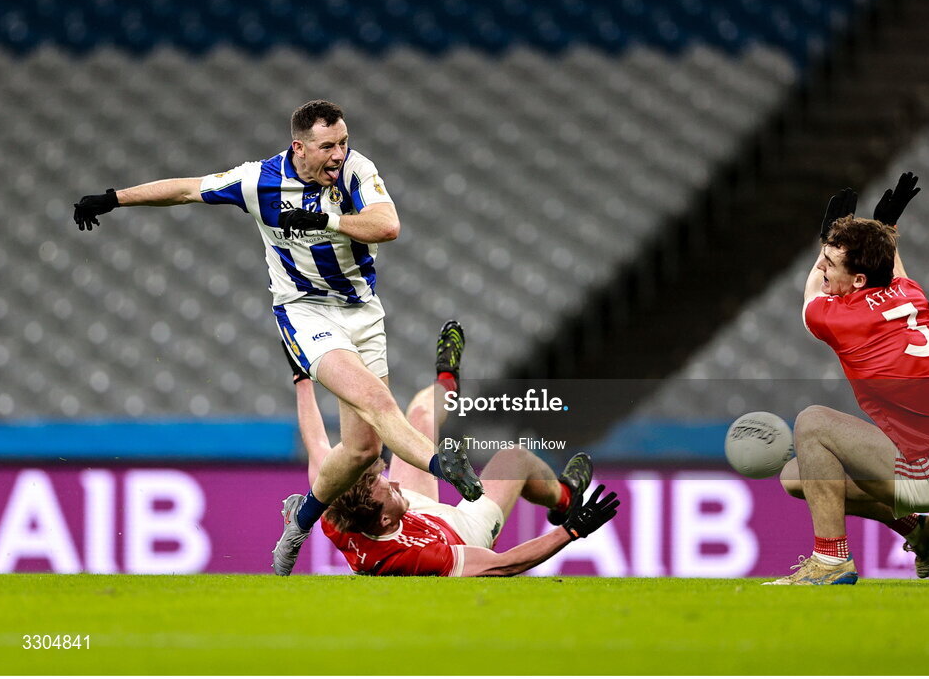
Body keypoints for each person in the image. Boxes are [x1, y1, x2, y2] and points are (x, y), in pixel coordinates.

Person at [72, 100, 483, 578]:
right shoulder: (258, 181)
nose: (339, 153)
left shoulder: (357, 170)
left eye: (343, 142)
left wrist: (326, 222)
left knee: (364, 451)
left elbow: (387, 225)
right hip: (305, 312)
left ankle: (299, 522)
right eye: (328, 146)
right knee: (375, 399)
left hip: (363, 312)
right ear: (300, 148)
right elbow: (187, 189)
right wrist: (113, 198)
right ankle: (443, 465)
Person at [282, 320, 618, 576]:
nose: (396, 482)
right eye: (392, 492)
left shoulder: (338, 514)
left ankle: (446, 381)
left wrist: (302, 379)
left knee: (416, 418)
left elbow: (318, 448)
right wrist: (571, 529)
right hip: (461, 530)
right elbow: (503, 565)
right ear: (384, 519)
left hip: (415, 513)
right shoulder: (419, 557)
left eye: (387, 480)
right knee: (514, 458)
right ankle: (564, 497)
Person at [768, 172, 929, 585]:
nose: (822, 267)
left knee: (813, 423)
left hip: (926, 465)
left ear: (859, 280)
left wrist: (826, 238)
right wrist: (885, 232)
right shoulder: (907, 292)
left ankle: (830, 562)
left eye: (830, 262)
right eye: (823, 257)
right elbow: (884, 266)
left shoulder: (843, 319)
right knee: (798, 478)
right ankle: (920, 528)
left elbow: (812, 295)